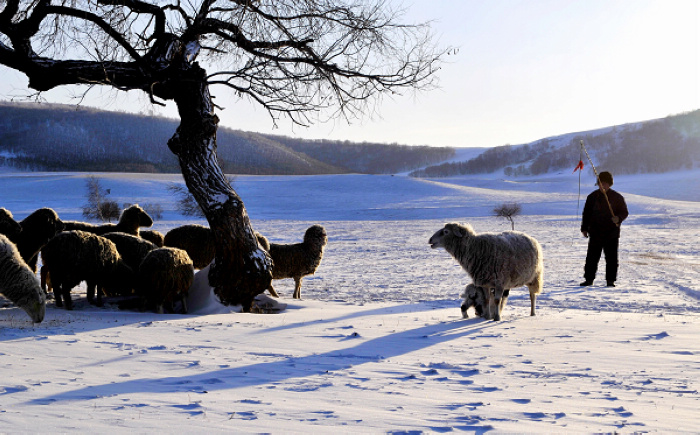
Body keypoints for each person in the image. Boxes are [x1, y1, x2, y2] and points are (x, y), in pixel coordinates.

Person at [580, 171, 628, 287]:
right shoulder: (592, 197)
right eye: (601, 183)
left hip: (611, 233)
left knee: (611, 258)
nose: (603, 186)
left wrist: (618, 218)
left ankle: (610, 281)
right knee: (592, 257)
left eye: (605, 183)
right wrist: (584, 228)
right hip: (595, 232)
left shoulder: (617, 197)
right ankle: (589, 279)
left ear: (610, 184)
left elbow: (624, 212)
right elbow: (586, 214)